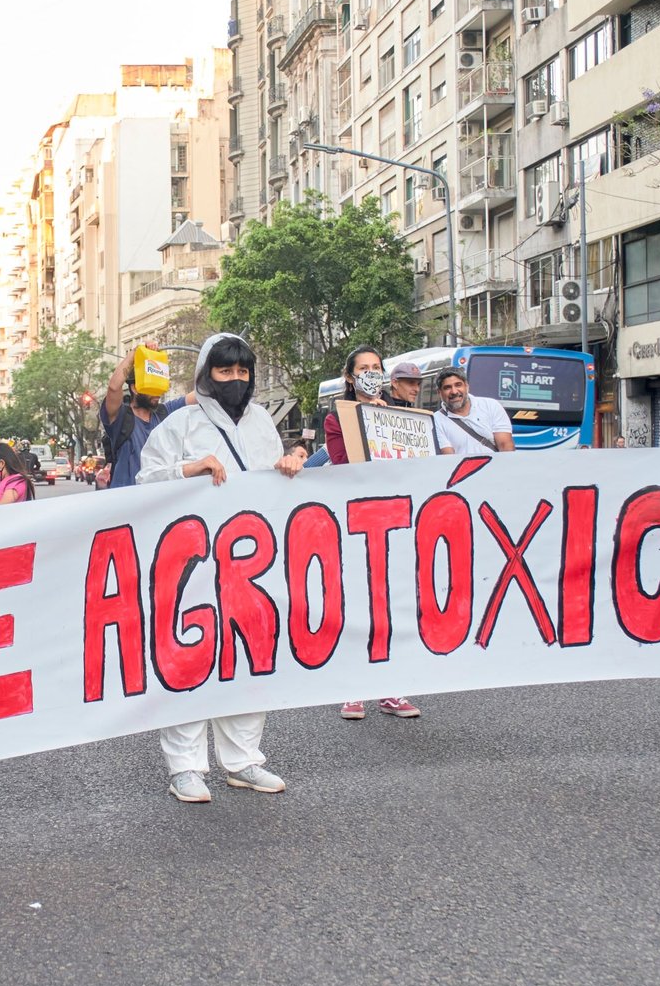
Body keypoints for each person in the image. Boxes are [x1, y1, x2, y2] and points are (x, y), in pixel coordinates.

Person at [138, 332, 305, 803]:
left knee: (251, 656)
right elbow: (143, 481)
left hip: (252, 560)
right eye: (224, 371)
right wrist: (186, 469)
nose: (235, 380)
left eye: (242, 372)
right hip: (190, 561)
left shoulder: (262, 424)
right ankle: (186, 767)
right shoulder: (180, 424)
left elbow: (272, 477)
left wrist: (290, 462)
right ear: (206, 375)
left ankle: (242, 760)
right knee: (189, 658)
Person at [323, 349, 425, 722]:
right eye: (363, 369)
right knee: (360, 604)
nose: (371, 374)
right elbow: (341, 464)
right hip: (357, 517)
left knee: (394, 602)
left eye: (376, 368)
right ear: (350, 378)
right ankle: (354, 689)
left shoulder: (401, 416)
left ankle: (391, 688)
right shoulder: (338, 418)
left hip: (396, 516)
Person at [99, 348, 184, 489]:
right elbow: (114, 388)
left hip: (157, 501)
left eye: (159, 388)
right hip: (126, 503)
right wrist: (134, 354)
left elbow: (201, 394)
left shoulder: (164, 413)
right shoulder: (120, 418)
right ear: (135, 388)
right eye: (151, 387)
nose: (157, 394)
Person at [432, 368, 516, 456]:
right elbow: (448, 458)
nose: (454, 391)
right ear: (439, 393)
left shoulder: (490, 406)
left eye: (458, 385)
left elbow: (505, 446)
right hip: (463, 469)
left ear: (467, 386)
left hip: (495, 468)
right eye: (447, 388)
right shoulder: (436, 420)